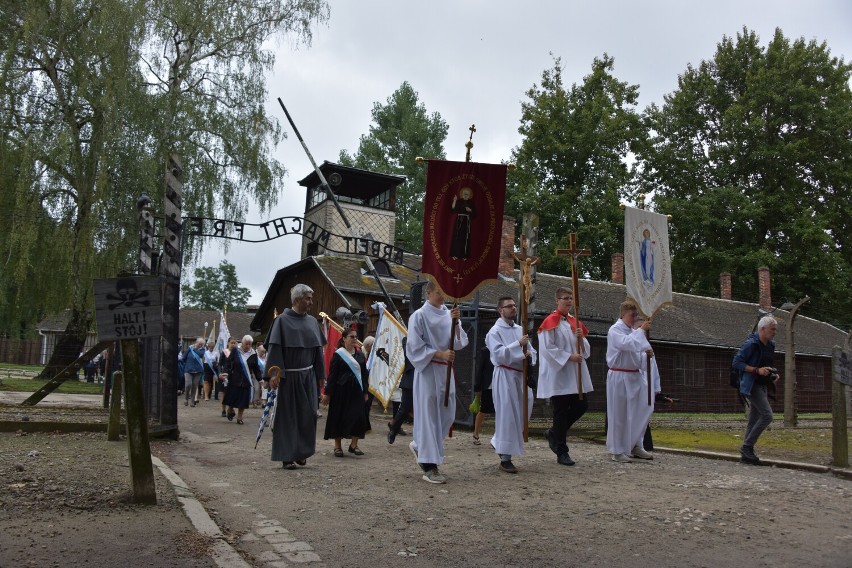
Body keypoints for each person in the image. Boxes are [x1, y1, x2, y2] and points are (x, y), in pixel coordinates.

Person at [405, 280, 469, 483]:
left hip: (445, 371)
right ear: (428, 293)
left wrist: (456, 323)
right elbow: (414, 347)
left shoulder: (450, 314)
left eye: (444, 292)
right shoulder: (419, 316)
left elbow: (459, 343)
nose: (443, 295)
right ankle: (429, 465)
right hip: (429, 370)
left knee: (447, 413)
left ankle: (419, 445)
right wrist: (439, 354)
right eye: (439, 292)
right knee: (428, 416)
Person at [266, 284, 327, 470]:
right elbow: (275, 350)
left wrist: (320, 375)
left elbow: (317, 352)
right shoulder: (282, 321)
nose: (311, 302)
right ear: (297, 299)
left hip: (308, 376)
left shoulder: (312, 322)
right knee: (288, 417)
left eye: (311, 298)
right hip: (288, 378)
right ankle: (287, 456)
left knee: (308, 416)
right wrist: (275, 374)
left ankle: (302, 452)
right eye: (308, 298)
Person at [537, 287, 592, 466]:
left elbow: (587, 350)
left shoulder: (574, 322)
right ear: (557, 300)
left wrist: (581, 339)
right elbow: (547, 348)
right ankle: (562, 450)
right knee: (560, 411)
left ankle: (554, 432)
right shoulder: (550, 322)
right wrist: (568, 356)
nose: (569, 301)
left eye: (571, 298)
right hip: (560, 374)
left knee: (581, 405)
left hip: (575, 375)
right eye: (565, 298)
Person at [486, 296, 537, 474]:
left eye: (515, 306)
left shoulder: (520, 329)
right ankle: (505, 458)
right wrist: (518, 345)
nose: (513, 309)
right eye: (509, 306)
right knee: (507, 414)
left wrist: (530, 354)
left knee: (523, 413)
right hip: (505, 374)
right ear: (501, 310)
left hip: (521, 376)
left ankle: (497, 441)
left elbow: (532, 350)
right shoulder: (494, 332)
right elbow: (499, 355)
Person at [605, 300, 654, 463]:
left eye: (635, 315)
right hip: (619, 376)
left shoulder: (632, 330)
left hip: (634, 376)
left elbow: (636, 352)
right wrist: (641, 332)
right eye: (631, 315)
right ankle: (617, 450)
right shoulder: (615, 330)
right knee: (619, 414)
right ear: (622, 314)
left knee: (641, 410)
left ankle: (635, 444)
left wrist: (646, 353)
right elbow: (626, 344)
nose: (634, 318)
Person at [732, 316, 779, 465]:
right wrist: (756, 370)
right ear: (762, 329)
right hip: (751, 384)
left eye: (775, 329)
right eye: (772, 329)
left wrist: (773, 374)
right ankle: (746, 447)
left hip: (763, 384)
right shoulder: (751, 344)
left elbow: (767, 364)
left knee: (754, 419)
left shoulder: (771, 345)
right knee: (767, 415)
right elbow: (737, 362)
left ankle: (747, 453)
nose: (775, 332)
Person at [322, 330, 370, 457]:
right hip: (340, 391)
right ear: (344, 339)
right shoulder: (338, 355)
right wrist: (328, 394)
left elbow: (364, 375)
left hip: (356, 390)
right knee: (338, 416)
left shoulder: (360, 355)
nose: (354, 339)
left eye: (356, 336)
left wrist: (365, 391)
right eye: (351, 337)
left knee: (359, 416)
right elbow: (332, 375)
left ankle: (354, 445)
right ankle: (338, 447)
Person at [220, 335, 261, 425]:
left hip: (246, 380)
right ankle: (230, 410)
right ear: (242, 343)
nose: (248, 346)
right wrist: (225, 372)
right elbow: (228, 362)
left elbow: (256, 368)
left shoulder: (253, 354)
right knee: (232, 398)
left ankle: (239, 418)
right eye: (246, 344)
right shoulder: (236, 350)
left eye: (250, 344)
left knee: (243, 400)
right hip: (235, 378)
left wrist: (260, 379)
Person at [387, 339, 414, 444]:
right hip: (410, 379)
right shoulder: (406, 340)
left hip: (424, 379)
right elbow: (410, 356)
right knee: (405, 408)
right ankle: (394, 430)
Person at [470, 346, 495, 446]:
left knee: (502, 411)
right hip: (488, 385)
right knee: (484, 410)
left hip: (501, 384)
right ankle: (476, 433)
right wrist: (478, 387)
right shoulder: (486, 351)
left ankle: (498, 437)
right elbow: (480, 369)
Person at [449, 187, 476, 259]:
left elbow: (475, 214)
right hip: (459, 221)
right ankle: (455, 254)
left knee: (465, 238)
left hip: (466, 222)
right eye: (464, 194)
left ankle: (465, 255)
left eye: (467, 194)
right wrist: (454, 200)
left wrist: (470, 210)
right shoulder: (459, 201)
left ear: (469, 195)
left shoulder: (471, 203)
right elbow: (453, 209)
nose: (465, 195)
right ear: (462, 194)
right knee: (457, 237)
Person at [183, 337, 206, 407]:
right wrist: (187, 365)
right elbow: (184, 357)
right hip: (188, 370)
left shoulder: (202, 350)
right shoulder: (189, 349)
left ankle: (192, 401)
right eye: (199, 344)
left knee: (194, 386)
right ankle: (186, 398)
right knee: (188, 385)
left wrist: (194, 349)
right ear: (196, 343)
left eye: (202, 344)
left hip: (198, 371)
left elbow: (200, 355)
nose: (200, 345)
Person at [219, 337, 237, 416]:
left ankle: (231, 408)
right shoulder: (224, 352)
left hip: (233, 374)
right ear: (228, 343)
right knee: (224, 393)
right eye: (231, 343)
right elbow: (219, 364)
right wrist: (219, 373)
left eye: (234, 343)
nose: (233, 344)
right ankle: (223, 410)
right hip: (225, 374)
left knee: (232, 392)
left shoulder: (237, 353)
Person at [361, 335, 376, 430]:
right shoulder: (363, 352)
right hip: (366, 382)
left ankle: (365, 424)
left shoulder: (376, 353)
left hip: (372, 382)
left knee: (368, 403)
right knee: (365, 404)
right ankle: (364, 424)